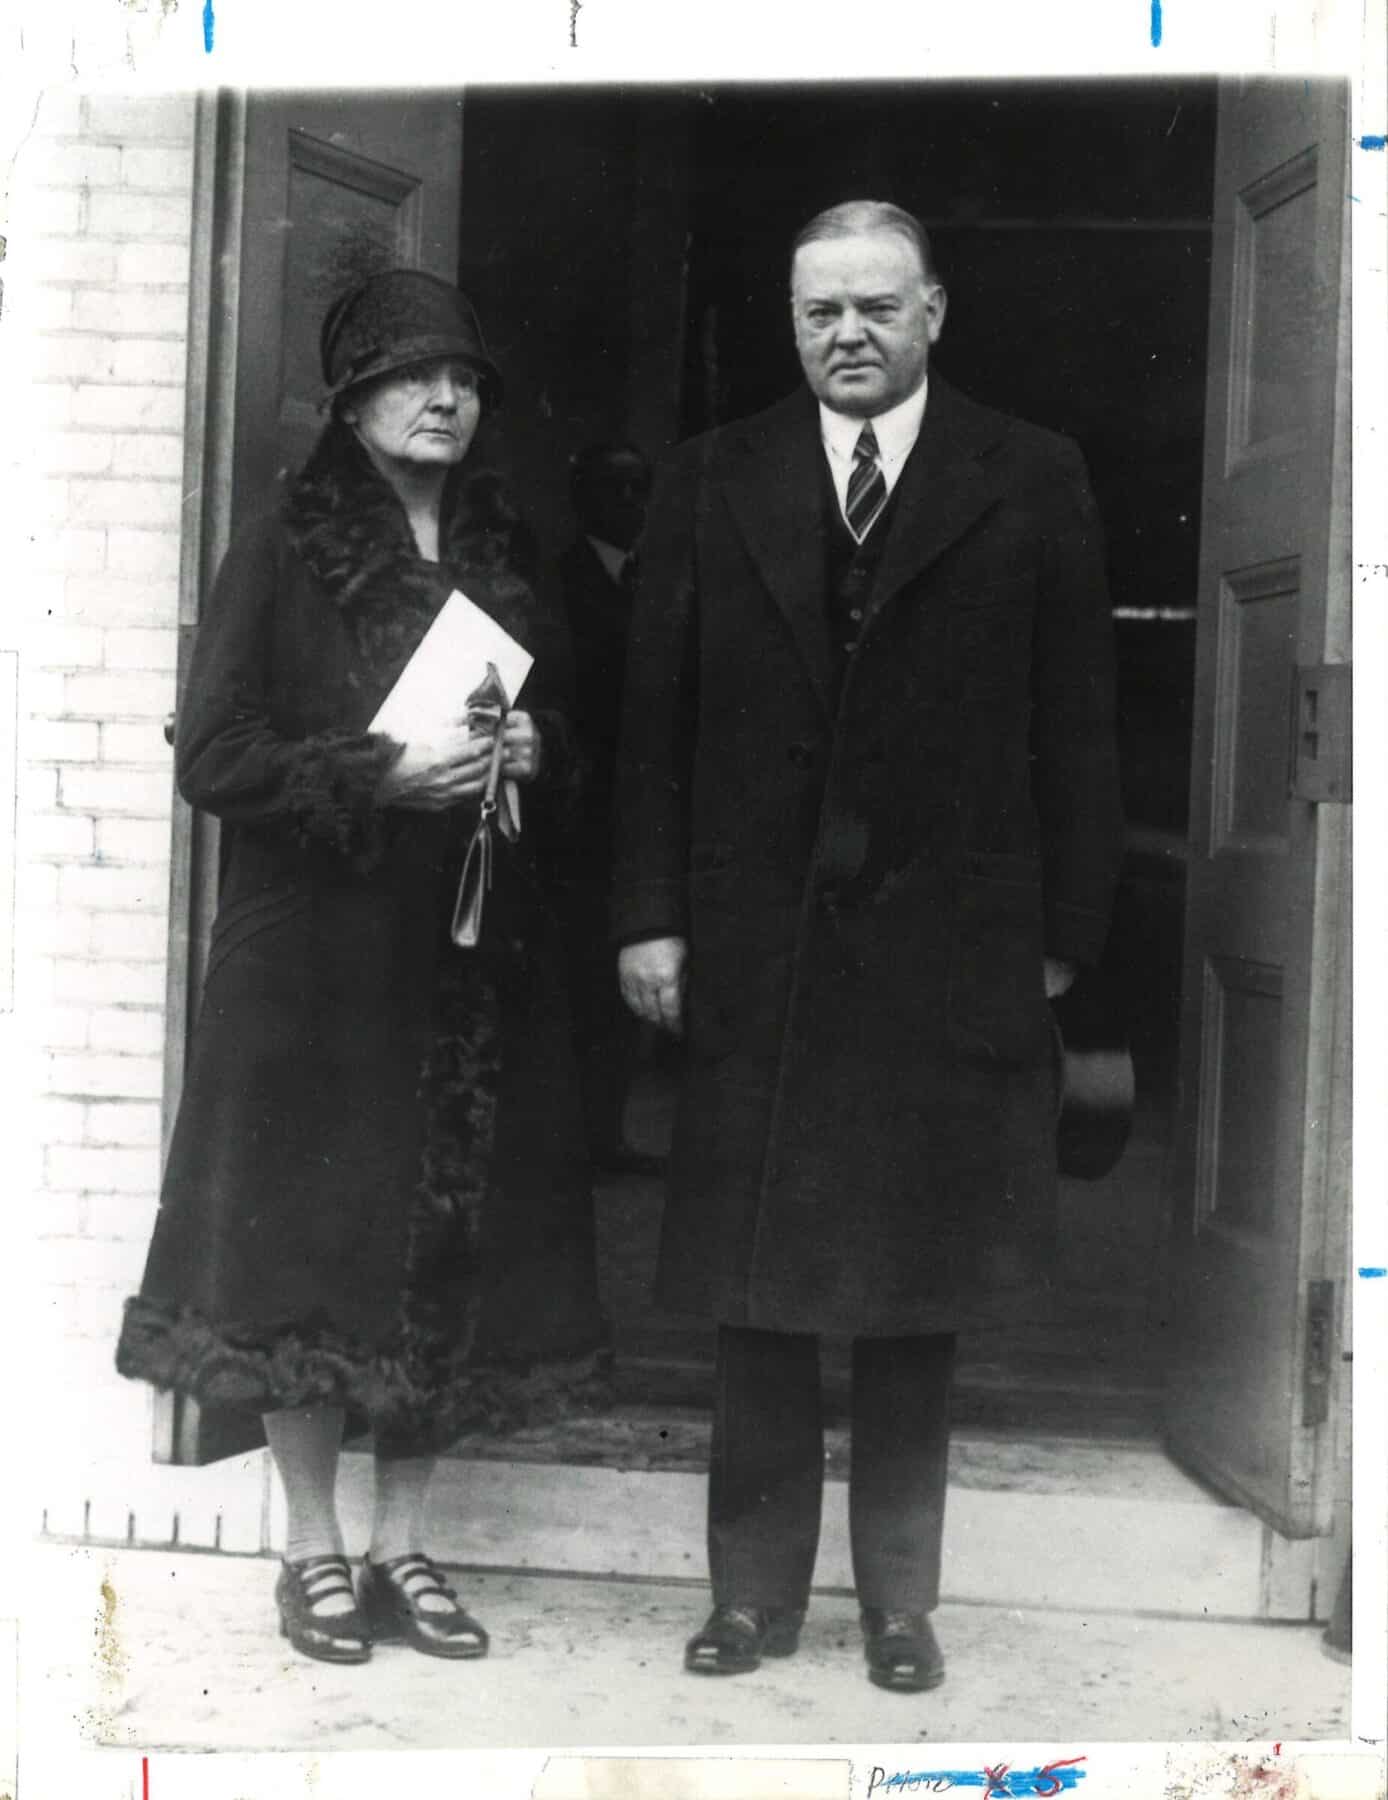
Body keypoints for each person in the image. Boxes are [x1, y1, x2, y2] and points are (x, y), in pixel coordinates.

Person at [613, 201, 1123, 1691]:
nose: (849, 334)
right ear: (791, 319)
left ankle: (901, 1603)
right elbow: (655, 727)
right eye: (821, 310)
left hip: (948, 954)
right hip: (757, 952)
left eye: (877, 308)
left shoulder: (1029, 474)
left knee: (916, 1295)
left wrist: (1064, 945)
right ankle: (750, 1599)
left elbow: (1078, 730)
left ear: (934, 314)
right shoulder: (715, 478)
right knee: (755, 1295)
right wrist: (649, 915)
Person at [117, 268, 608, 1667]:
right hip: (316, 964)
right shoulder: (284, 539)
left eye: (466, 380)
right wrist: (378, 774)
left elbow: (571, 723)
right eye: (414, 376)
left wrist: (535, 754)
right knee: (305, 1259)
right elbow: (212, 754)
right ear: (353, 400)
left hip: (464, 957)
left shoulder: (509, 544)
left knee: (445, 1254)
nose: (447, 398)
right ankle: (312, 1551)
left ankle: (406, 1544)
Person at [555, 443, 661, 1177]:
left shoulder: (655, 581)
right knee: (578, 978)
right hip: (574, 809)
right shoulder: (560, 579)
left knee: (630, 970)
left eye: (639, 488)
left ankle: (609, 1133)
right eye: (613, 487)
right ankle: (575, 1139)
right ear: (582, 496)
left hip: (637, 807)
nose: (629, 502)